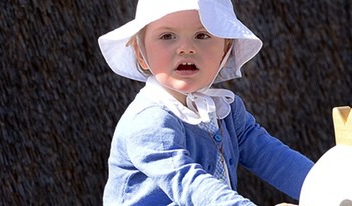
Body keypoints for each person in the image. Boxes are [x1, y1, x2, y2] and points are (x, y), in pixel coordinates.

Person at [98, 0, 314, 205]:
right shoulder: (149, 120)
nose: (186, 48)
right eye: (167, 36)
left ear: (224, 52)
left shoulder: (225, 110)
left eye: (201, 35)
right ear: (141, 54)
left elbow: (270, 156)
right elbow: (187, 182)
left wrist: (324, 185)